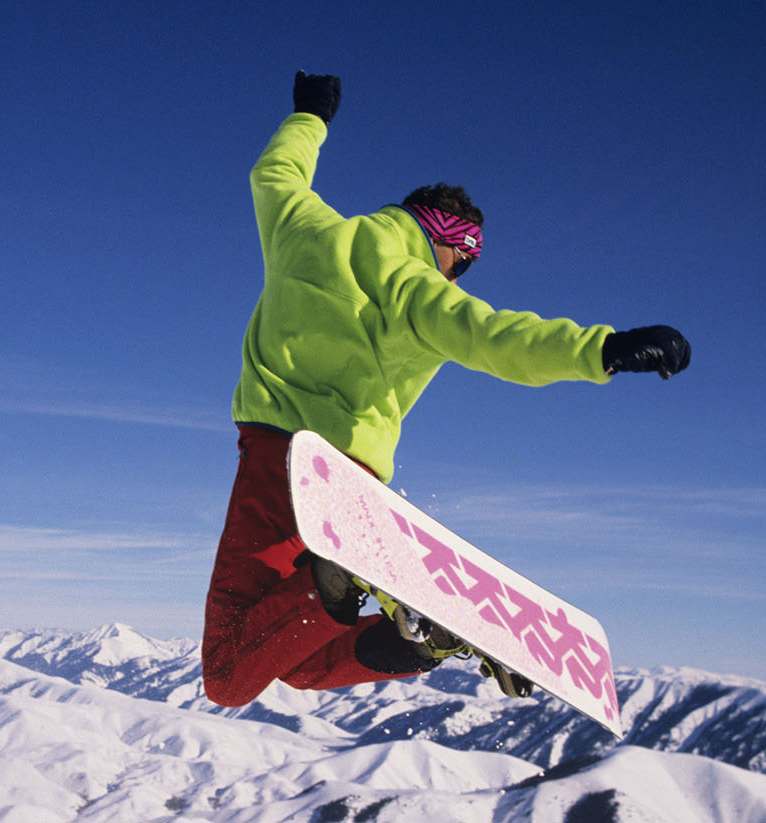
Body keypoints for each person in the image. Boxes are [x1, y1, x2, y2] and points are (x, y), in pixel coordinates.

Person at [200, 71, 690, 709]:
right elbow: (496, 337)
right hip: (349, 479)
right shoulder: (417, 288)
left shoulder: (304, 229)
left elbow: (275, 173)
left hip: (278, 460)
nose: (458, 280)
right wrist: (602, 348)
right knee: (287, 658)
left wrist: (312, 116)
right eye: (463, 266)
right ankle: (412, 644)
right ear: (448, 246)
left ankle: (337, 583)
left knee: (228, 673)